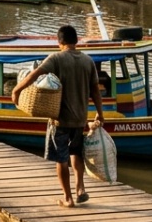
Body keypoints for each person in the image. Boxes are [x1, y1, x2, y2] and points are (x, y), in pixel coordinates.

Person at [11, 25, 102, 207]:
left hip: (60, 119)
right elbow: (95, 90)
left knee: (61, 159)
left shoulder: (57, 58)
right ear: (76, 41)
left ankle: (68, 198)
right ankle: (80, 188)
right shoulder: (88, 61)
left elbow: (35, 74)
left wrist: (16, 90)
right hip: (80, 119)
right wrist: (100, 113)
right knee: (76, 153)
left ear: (59, 42)